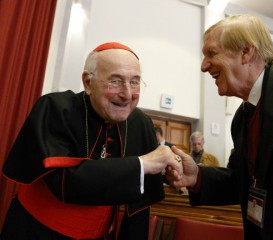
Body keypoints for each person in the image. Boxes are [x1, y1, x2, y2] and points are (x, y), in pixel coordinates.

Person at [0, 42, 182, 240]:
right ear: (88, 82)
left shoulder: (141, 123)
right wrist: (141, 164)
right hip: (35, 232)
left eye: (135, 82)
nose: (127, 94)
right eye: (115, 81)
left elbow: (139, 207)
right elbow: (64, 181)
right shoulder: (55, 108)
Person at [166, 14, 273, 240]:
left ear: (246, 52)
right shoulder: (241, 117)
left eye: (212, 53)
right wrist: (197, 176)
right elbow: (241, 182)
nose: (203, 66)